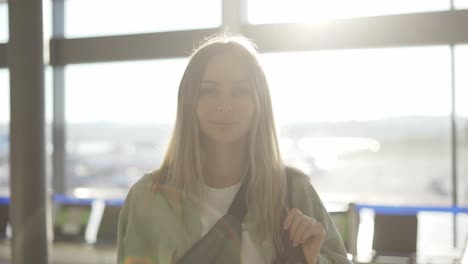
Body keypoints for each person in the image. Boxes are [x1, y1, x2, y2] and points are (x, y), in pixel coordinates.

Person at [117, 34, 350, 264]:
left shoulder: (292, 192)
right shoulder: (148, 198)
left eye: (240, 91)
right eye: (209, 91)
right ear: (189, 101)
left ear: (259, 103)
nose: (225, 105)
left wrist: (314, 260)